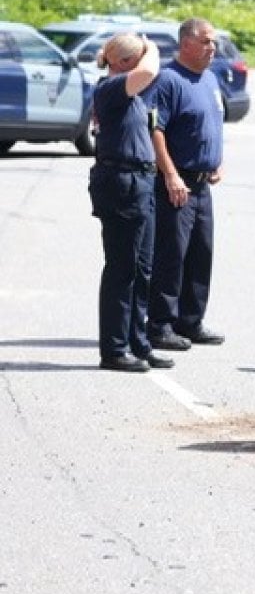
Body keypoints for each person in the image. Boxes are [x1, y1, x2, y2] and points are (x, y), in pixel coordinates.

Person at [89, 32, 173, 372]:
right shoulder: (110, 88)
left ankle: (138, 342)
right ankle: (114, 349)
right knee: (121, 270)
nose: (147, 61)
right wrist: (149, 47)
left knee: (143, 269)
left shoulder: (132, 94)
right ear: (123, 63)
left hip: (140, 181)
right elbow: (151, 72)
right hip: (121, 183)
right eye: (138, 57)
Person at [145, 17, 226, 351]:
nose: (213, 48)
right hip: (176, 183)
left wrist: (216, 160)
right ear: (186, 43)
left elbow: (212, 122)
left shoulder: (209, 78)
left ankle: (190, 321)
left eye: (214, 42)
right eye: (207, 41)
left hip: (203, 183)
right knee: (171, 255)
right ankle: (160, 324)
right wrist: (171, 174)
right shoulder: (168, 80)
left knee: (200, 254)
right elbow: (155, 130)